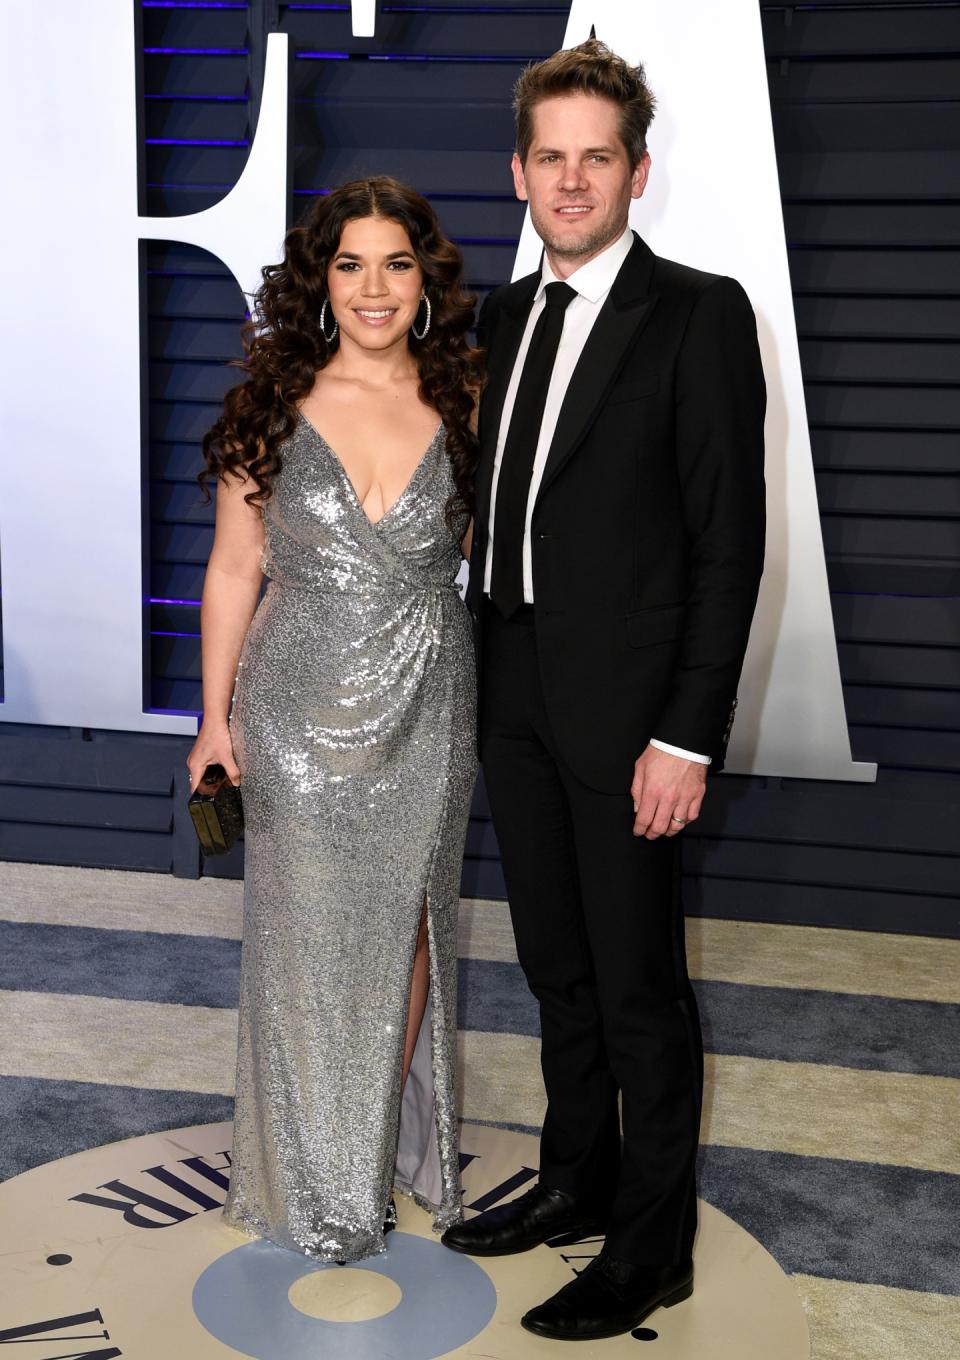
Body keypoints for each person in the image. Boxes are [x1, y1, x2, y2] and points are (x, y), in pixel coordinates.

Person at [440, 39, 767, 1341]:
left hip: (634, 717)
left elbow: (727, 544)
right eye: (551, 158)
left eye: (598, 158)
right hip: (508, 686)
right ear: (521, 171)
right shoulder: (503, 317)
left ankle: (652, 1247)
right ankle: (574, 1179)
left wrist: (687, 731)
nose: (572, 181)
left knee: (637, 988)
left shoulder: (700, 313)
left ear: (638, 170)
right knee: (555, 968)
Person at [186, 176, 482, 1262]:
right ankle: (311, 1165)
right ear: (320, 281)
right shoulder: (273, 400)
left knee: (407, 922)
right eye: (350, 264)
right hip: (295, 699)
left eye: (396, 263)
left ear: (424, 280)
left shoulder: (469, 399)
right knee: (304, 931)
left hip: (426, 696)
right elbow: (232, 566)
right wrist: (214, 718)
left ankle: (364, 1147)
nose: (374, 287)